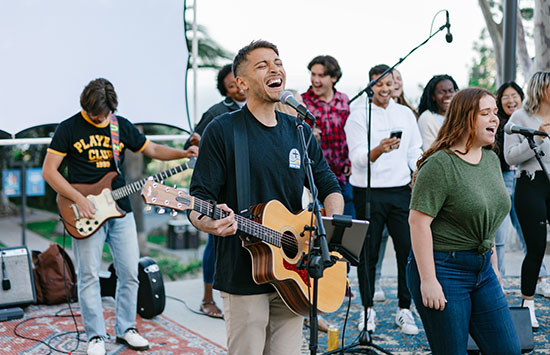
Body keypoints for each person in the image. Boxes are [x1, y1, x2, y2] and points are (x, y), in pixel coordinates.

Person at [188, 40, 344, 354]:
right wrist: (210, 222)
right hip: (243, 269)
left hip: (294, 268)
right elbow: (198, 200)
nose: (275, 69)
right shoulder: (223, 130)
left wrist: (326, 228)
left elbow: (329, 184)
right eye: (262, 65)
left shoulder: (296, 129)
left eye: (278, 62)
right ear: (241, 83)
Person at [42, 78, 198, 355]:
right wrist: (79, 199)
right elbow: (49, 172)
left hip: (120, 210)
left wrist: (182, 154)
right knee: (88, 274)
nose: (100, 118)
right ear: (85, 106)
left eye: (104, 114)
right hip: (83, 212)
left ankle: (127, 329)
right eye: (95, 115)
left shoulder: (119, 125)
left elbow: (151, 149)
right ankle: (95, 337)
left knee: (129, 272)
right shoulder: (69, 128)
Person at [407, 87, 521, 354]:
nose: (496, 119)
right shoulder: (440, 165)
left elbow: (487, 221)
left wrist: (493, 269)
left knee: (508, 350)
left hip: (483, 271)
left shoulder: (491, 159)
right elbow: (418, 223)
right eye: (486, 113)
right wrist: (428, 280)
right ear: (465, 118)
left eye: (496, 112)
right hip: (444, 269)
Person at [345, 64, 422, 335]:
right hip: (368, 192)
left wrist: (418, 167)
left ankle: (404, 309)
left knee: (406, 252)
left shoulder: (405, 114)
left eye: (390, 84)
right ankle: (367, 311)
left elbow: (414, 149)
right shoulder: (357, 115)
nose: (386, 89)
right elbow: (356, 159)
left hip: (401, 191)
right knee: (368, 255)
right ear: (370, 85)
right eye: (380, 84)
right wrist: (378, 150)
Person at [186, 64, 246, 319]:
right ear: (225, 89)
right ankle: (208, 298)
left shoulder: (262, 109)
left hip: (249, 192)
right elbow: (192, 141)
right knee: (215, 243)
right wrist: (198, 143)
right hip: (221, 191)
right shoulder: (217, 112)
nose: (237, 89)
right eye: (231, 86)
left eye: (238, 83)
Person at [505, 71, 550, 330]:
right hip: (530, 184)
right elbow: (510, 156)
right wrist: (537, 139)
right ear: (541, 89)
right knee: (535, 248)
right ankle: (528, 305)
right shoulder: (519, 118)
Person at [301, 55, 355, 217]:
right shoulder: (303, 103)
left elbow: (352, 135)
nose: (315, 80)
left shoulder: (344, 101)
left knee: (345, 229)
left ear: (334, 78)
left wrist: (351, 161)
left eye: (321, 75)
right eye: (313, 74)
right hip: (314, 181)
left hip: (343, 177)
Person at [184, 64, 246, 149]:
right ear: (226, 92)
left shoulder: (266, 106)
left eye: (241, 82)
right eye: (232, 86)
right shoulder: (215, 112)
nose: (239, 88)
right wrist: (202, 143)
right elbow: (190, 145)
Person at [417, 74, 459, 151]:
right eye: (442, 92)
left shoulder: (460, 116)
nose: (448, 95)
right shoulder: (427, 118)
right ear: (433, 96)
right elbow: (429, 151)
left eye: (451, 91)